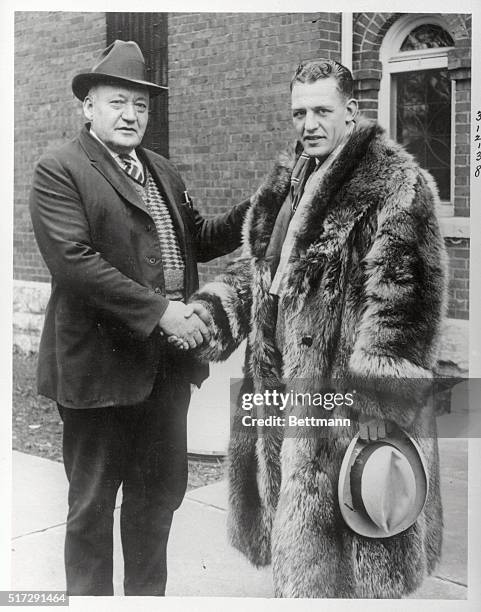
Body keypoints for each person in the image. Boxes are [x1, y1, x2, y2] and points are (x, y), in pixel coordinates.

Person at [189, 59, 447, 598]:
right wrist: (212, 313)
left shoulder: (397, 186)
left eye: (321, 111)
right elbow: (259, 272)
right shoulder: (286, 184)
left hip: (349, 417)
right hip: (285, 400)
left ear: (351, 111)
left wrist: (380, 409)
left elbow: (405, 308)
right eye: (298, 112)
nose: (308, 123)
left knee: (353, 564)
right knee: (300, 557)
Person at [29, 40, 249, 596]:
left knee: (155, 508)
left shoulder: (162, 172)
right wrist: (162, 313)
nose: (131, 116)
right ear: (89, 106)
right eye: (118, 103)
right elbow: (75, 264)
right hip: (98, 377)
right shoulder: (60, 169)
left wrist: (263, 204)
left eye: (142, 106)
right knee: (92, 512)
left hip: (165, 375)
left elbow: (199, 237)